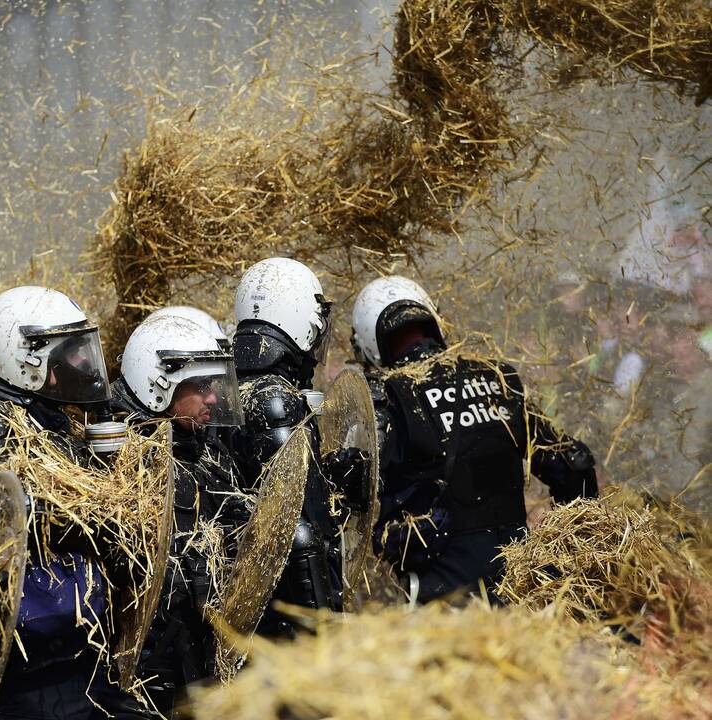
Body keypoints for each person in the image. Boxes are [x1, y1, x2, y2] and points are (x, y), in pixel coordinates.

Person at [0, 286, 152, 720]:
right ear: (26, 359)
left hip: (82, 653)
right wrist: (107, 509)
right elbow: (25, 513)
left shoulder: (56, 426)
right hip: (29, 662)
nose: (80, 363)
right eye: (69, 352)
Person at [350, 276, 599, 604]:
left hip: (442, 605)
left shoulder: (384, 400)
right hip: (525, 589)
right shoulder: (497, 378)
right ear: (433, 319)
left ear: (368, 343)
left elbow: (351, 507)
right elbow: (573, 462)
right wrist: (568, 561)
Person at [111, 315, 248, 713]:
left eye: (214, 385)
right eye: (200, 386)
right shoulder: (120, 461)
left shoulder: (203, 450)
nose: (213, 398)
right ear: (159, 383)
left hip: (199, 659)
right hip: (147, 670)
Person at [229, 258, 363, 627]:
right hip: (287, 617)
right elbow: (297, 530)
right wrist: (321, 625)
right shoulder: (275, 399)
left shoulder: (227, 390)